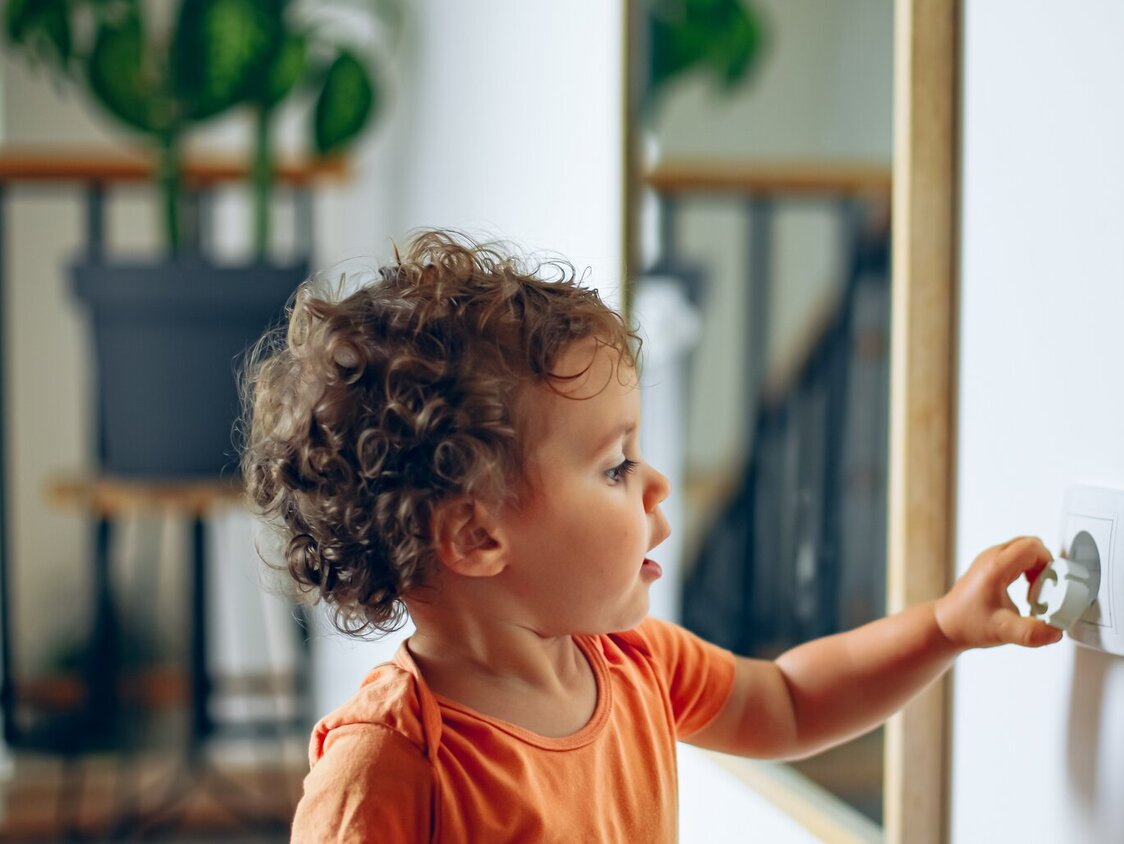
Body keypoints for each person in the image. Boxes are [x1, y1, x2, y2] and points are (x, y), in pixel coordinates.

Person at [240, 229, 1061, 843]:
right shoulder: (389, 762)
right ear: (477, 536)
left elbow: (791, 700)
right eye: (615, 464)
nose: (656, 483)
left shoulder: (638, 665)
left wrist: (941, 628)